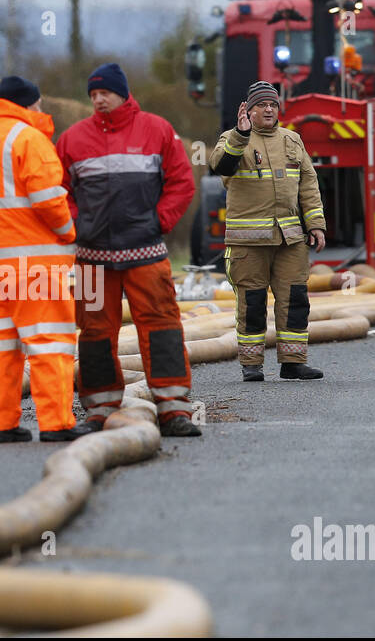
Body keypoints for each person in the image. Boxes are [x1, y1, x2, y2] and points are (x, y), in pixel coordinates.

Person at [55, 63, 201, 437]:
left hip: (146, 254)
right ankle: (99, 408)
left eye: (104, 92)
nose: (98, 99)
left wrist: (159, 222)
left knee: (162, 327)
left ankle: (174, 410)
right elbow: (58, 193)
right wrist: (77, 226)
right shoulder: (72, 139)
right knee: (93, 333)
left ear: (122, 93)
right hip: (91, 258)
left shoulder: (157, 130)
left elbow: (182, 183)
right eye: (92, 95)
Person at [0, 75, 85, 442]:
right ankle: (56, 423)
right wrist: (68, 232)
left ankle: (2, 425)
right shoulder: (30, 140)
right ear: (29, 105)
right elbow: (48, 200)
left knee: (0, 347)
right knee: (49, 343)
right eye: (39, 105)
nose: (42, 111)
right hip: (35, 267)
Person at [210, 81, 326, 382]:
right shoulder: (232, 139)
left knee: (295, 299)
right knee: (252, 302)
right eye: (261, 105)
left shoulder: (292, 140)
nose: (269, 109)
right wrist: (241, 134)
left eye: (273, 104)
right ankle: (252, 365)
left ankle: (293, 362)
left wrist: (315, 224)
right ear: (248, 110)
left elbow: (308, 184)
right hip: (249, 243)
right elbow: (220, 166)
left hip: (290, 238)